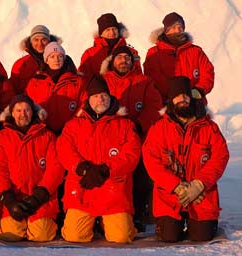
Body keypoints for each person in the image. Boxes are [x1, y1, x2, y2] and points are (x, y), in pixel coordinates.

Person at [142, 76, 229, 242]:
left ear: (191, 97)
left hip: (201, 195)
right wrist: (175, 186)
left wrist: (199, 184)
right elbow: (151, 161)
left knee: (201, 236)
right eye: (177, 96)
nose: (182, 99)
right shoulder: (159, 128)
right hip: (170, 195)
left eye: (185, 95)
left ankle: (204, 222)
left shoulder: (208, 126)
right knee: (169, 236)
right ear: (171, 100)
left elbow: (221, 156)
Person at [57, 77, 141, 243]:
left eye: (104, 95)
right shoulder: (74, 125)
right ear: (88, 99)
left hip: (112, 188)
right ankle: (92, 223)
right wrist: (83, 168)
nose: (100, 99)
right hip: (82, 187)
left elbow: (131, 155)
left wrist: (106, 170)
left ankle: (108, 223)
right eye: (95, 96)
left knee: (121, 237)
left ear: (110, 97)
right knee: (75, 236)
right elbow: (64, 150)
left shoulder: (125, 124)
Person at [100, 45, 163, 230]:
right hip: (110, 139)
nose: (123, 61)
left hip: (140, 136)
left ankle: (138, 212)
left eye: (127, 58)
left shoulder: (144, 82)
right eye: (119, 57)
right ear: (112, 61)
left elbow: (155, 107)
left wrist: (139, 124)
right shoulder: (104, 81)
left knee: (141, 176)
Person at [0, 94, 64, 242]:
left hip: (41, 198)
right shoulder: (2, 138)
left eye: (27, 110)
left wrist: (40, 195)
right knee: (13, 235)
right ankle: (6, 225)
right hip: (14, 197)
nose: (23, 114)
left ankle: (41, 224)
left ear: (33, 112)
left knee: (42, 235)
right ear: (11, 113)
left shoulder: (48, 136)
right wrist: (9, 200)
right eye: (18, 110)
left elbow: (55, 168)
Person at [144, 12, 214, 104]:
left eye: (180, 27)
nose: (178, 30)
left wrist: (198, 90)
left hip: (194, 102)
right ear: (166, 31)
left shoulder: (196, 51)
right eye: (173, 27)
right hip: (165, 103)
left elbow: (208, 73)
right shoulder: (154, 52)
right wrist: (175, 95)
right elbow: (152, 77)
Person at [25, 42, 86, 135]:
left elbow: (84, 104)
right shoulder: (35, 82)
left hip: (71, 132)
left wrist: (72, 126)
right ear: (46, 60)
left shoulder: (77, 81)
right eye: (52, 56)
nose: (56, 59)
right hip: (42, 133)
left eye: (60, 56)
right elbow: (28, 105)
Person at [10, 25, 70, 94]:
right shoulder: (21, 64)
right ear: (31, 42)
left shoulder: (61, 60)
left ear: (49, 41)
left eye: (44, 40)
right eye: (36, 40)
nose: (40, 44)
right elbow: (12, 91)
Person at [79, 13, 141, 79]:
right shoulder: (89, 54)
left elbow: (139, 77)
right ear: (101, 33)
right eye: (107, 30)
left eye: (114, 29)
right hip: (99, 89)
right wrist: (95, 84)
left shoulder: (132, 52)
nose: (112, 32)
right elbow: (82, 78)